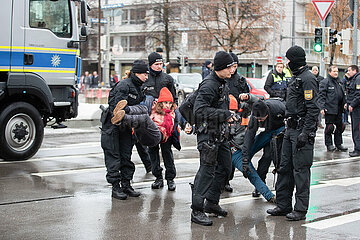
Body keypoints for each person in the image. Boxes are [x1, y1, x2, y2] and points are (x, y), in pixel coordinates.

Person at [267, 45, 319, 221]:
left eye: (288, 59)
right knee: (284, 168)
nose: (286, 62)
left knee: (301, 171)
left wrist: (306, 132)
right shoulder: (295, 77)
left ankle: (301, 209)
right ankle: (283, 204)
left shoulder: (308, 79)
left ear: (294, 60)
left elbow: (313, 109)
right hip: (290, 130)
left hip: (301, 131)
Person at [190, 51, 236, 226]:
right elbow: (199, 111)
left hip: (220, 135)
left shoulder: (222, 82)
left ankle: (212, 203)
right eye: (229, 67)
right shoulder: (209, 85)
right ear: (220, 68)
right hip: (208, 135)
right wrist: (225, 114)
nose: (232, 70)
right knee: (206, 172)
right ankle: (197, 210)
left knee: (225, 167)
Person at [100, 60, 149, 200]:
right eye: (144, 74)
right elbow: (115, 106)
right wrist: (130, 112)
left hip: (126, 125)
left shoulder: (139, 87)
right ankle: (116, 187)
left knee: (126, 155)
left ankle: (126, 184)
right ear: (137, 73)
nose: (146, 77)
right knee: (114, 156)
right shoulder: (123, 85)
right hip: (113, 125)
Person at [227, 95, 277, 203]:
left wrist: (248, 96)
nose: (232, 113)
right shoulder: (217, 117)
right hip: (234, 150)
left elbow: (258, 102)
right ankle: (269, 196)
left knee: (271, 133)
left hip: (247, 143)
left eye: (234, 110)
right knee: (250, 172)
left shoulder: (242, 109)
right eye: (229, 111)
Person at [143, 52, 178, 188]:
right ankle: (158, 177)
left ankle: (170, 179)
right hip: (151, 121)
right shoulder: (146, 79)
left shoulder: (167, 79)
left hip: (166, 120)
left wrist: (172, 111)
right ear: (150, 65)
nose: (159, 66)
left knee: (167, 150)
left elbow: (174, 98)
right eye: (156, 64)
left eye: (161, 64)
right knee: (152, 150)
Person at [241, 99, 286, 197]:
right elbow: (249, 137)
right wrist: (245, 160)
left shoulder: (279, 108)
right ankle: (260, 186)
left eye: (261, 119)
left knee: (278, 159)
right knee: (264, 160)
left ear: (267, 113)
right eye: (258, 119)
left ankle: (282, 190)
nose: (259, 121)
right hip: (268, 132)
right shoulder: (254, 118)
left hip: (281, 131)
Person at [224, 52, 250, 192]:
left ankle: (228, 179)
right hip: (222, 117)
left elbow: (247, 101)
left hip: (237, 118)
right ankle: (220, 179)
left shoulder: (241, 80)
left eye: (235, 66)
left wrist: (243, 119)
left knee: (232, 149)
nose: (232, 69)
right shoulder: (222, 78)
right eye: (231, 66)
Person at [149, 87, 177, 191]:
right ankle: (158, 178)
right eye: (165, 103)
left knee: (168, 155)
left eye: (170, 103)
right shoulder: (153, 112)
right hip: (154, 136)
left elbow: (177, 123)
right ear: (160, 103)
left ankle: (170, 179)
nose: (168, 105)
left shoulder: (173, 112)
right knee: (154, 156)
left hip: (168, 137)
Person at [318, 66, 347, 152]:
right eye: (334, 71)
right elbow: (321, 96)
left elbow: (343, 94)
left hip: (339, 108)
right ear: (329, 72)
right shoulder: (325, 82)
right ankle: (329, 144)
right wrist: (322, 107)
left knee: (340, 127)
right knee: (329, 128)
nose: (336, 73)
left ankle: (339, 144)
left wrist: (345, 103)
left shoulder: (340, 82)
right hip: (329, 108)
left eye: (337, 71)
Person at [344, 65, 360, 157]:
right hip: (354, 107)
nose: (348, 72)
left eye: (349, 70)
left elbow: (358, 94)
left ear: (354, 70)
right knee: (355, 129)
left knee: (356, 129)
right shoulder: (353, 79)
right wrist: (348, 103)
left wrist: (352, 104)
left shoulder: (358, 79)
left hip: (357, 108)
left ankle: (358, 149)